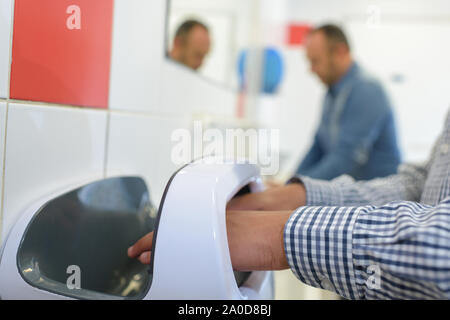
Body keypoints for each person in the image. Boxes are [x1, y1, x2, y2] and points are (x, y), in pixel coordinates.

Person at [128, 110, 450, 300]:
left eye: (314, 59)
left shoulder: (363, 90)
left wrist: (279, 234)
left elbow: (345, 157)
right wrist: (287, 195)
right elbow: (420, 185)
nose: (309, 67)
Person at [295, 24, 401, 180]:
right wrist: (292, 181)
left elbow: (346, 159)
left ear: (341, 51)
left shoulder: (367, 90)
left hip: (378, 198)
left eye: (316, 61)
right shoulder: (331, 93)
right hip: (350, 193)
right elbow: (318, 147)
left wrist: (298, 187)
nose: (311, 70)